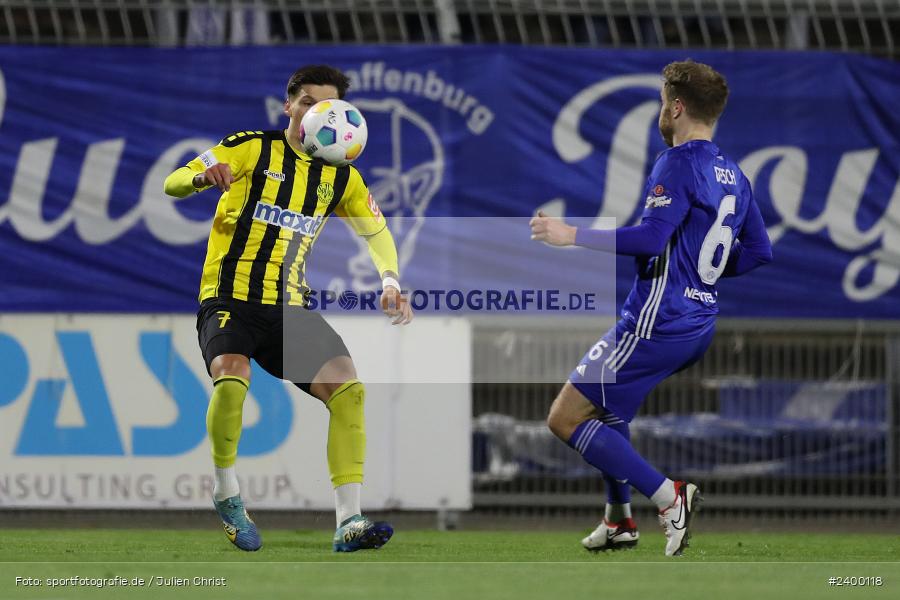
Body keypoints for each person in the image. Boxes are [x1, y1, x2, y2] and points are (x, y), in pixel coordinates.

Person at [164, 64, 413, 553]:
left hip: (289, 308)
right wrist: (199, 178)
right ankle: (226, 492)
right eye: (307, 105)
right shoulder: (251, 146)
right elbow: (174, 180)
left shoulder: (341, 176)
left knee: (349, 391)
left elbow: (377, 231)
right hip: (229, 297)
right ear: (289, 105)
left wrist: (389, 279)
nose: (314, 116)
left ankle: (349, 522)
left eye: (328, 108)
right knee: (233, 380)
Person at [529, 60, 772, 556]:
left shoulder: (677, 162)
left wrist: (570, 235)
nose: (662, 114)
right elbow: (758, 250)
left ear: (677, 107)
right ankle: (619, 520)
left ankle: (669, 497)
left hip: (659, 320)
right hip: (699, 320)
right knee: (609, 414)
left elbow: (651, 237)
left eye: (664, 104)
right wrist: (703, 273)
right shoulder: (735, 176)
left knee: (565, 419)